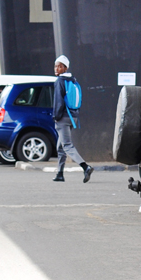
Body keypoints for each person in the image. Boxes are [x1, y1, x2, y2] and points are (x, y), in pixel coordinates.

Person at [51, 55, 92, 184]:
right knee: (60, 147)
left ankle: (85, 167)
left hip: (62, 118)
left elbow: (58, 101)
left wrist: (56, 117)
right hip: (72, 117)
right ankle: (59, 174)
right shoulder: (73, 81)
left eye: (60, 66)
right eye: (55, 66)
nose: (57, 68)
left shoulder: (59, 81)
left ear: (65, 68)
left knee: (67, 145)